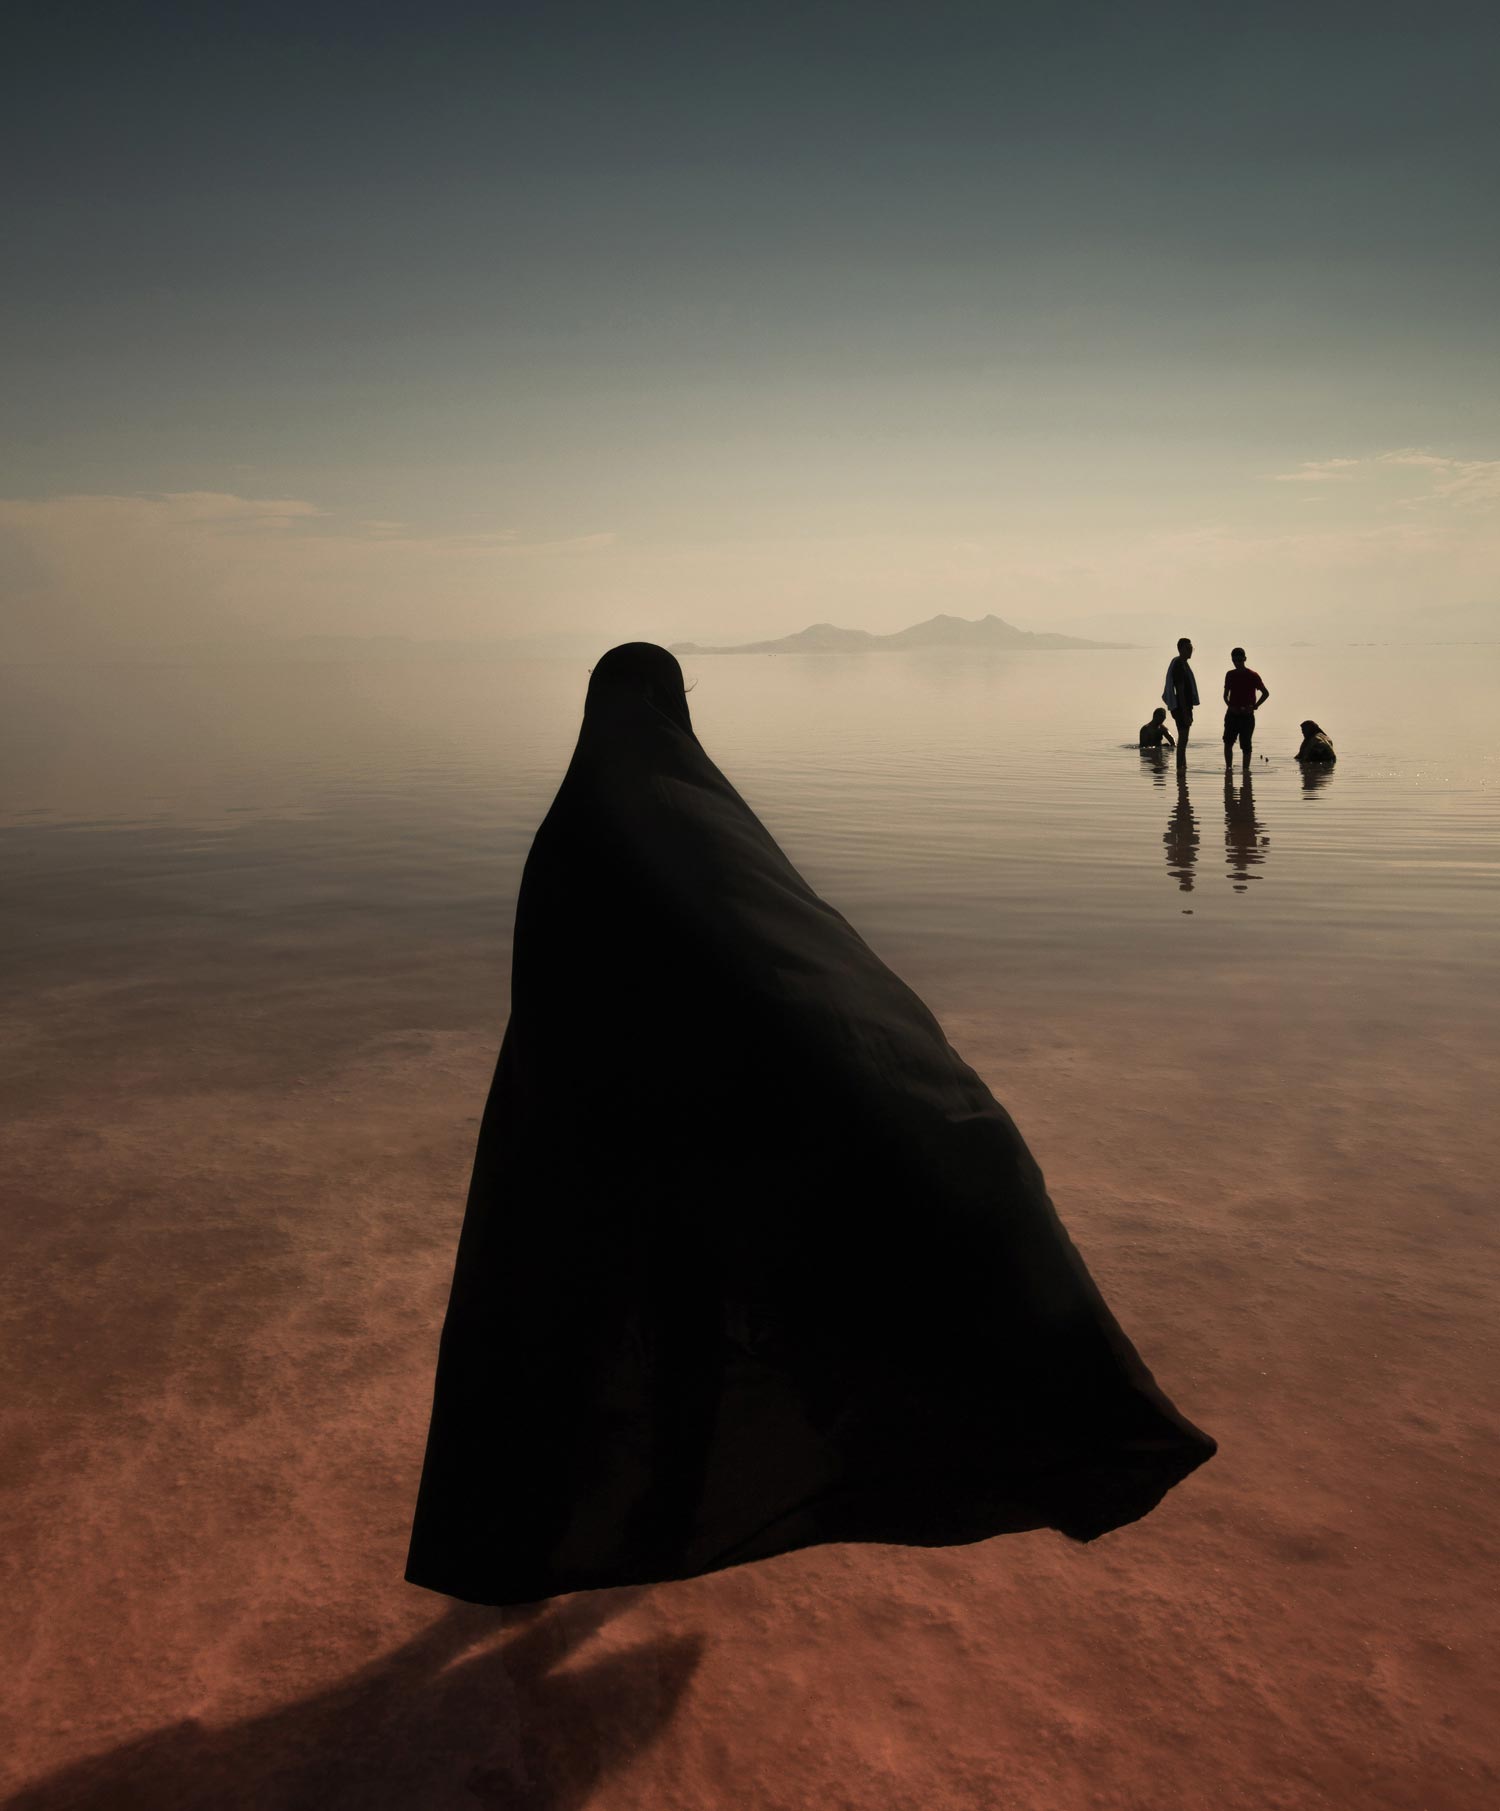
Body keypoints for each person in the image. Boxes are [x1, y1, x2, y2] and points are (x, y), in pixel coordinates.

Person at [406, 643, 1215, 1605]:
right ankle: (667, 1521)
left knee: (581, 1344)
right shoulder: (697, 814)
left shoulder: (568, 834)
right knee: (696, 1343)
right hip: (711, 1143)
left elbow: (546, 1018)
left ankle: (535, 1555)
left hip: (601, 1150)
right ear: (675, 710)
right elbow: (801, 965)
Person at [1221, 648, 1269, 769]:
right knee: (1228, 742)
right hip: (1232, 714)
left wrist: (1255, 706)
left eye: (1239, 660)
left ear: (1244, 659)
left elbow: (1265, 693)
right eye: (1234, 660)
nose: (1237, 663)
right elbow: (1225, 695)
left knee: (1246, 745)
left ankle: (1246, 771)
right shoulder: (1230, 674)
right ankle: (1228, 769)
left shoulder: (1253, 675)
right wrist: (1230, 706)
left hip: (1247, 716)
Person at [1162, 637, 1198, 763]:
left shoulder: (1183, 664)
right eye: (1188, 648)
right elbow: (1181, 691)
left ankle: (1182, 772)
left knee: (1184, 740)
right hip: (1181, 708)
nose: (1190, 651)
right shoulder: (1179, 666)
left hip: (1184, 707)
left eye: (1191, 648)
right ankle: (1181, 770)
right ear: (1180, 649)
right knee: (1183, 740)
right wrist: (1185, 713)